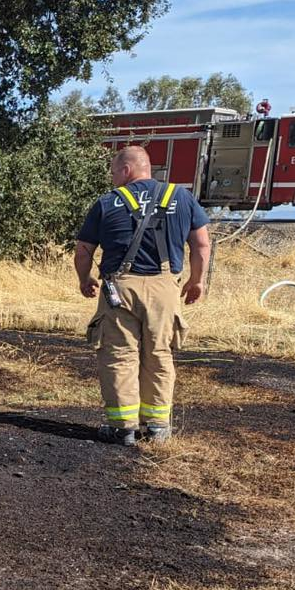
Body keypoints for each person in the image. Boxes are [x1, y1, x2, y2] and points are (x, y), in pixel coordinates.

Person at [74, 145, 211, 446]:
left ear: (126, 170)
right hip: (164, 289)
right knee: (160, 355)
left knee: (120, 356)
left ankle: (123, 428)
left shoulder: (108, 202)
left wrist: (85, 279)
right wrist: (197, 281)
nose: (112, 178)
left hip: (120, 290)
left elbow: (84, 249)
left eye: (113, 172)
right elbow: (201, 244)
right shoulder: (182, 196)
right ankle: (158, 427)